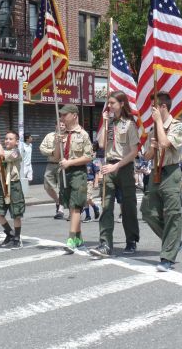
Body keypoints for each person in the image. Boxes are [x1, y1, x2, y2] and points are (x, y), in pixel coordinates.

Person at [139, 92, 182, 272]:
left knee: (172, 213)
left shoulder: (178, 126)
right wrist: (151, 148)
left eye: (154, 107)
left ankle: (167, 257)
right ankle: (174, 241)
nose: (151, 111)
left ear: (163, 107)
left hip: (171, 171)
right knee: (148, 211)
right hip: (155, 172)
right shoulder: (153, 128)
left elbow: (166, 143)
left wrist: (159, 122)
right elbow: (147, 155)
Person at [92, 90, 141, 257]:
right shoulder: (109, 122)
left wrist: (117, 166)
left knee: (128, 206)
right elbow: (101, 144)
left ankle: (131, 240)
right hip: (108, 166)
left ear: (121, 104)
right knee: (106, 205)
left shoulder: (129, 124)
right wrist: (105, 124)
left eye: (112, 103)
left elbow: (134, 152)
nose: (109, 105)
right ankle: (105, 244)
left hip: (124, 167)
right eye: (108, 102)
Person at [53, 104, 93, 254]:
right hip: (64, 172)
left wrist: (70, 162)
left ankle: (70, 240)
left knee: (76, 205)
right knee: (70, 206)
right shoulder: (62, 134)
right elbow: (56, 157)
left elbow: (88, 157)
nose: (62, 117)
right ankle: (79, 239)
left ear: (74, 115)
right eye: (61, 115)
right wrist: (58, 142)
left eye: (65, 114)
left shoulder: (82, 134)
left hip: (77, 172)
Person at [0, 129, 24, 249]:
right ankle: (9, 233)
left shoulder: (17, 152)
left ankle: (17, 238)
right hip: (1, 183)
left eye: (11, 139)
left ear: (16, 142)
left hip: (13, 184)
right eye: (6, 138)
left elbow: (3, 156)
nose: (7, 141)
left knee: (16, 213)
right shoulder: (0, 150)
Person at [40, 121, 65, 219]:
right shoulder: (49, 136)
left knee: (62, 187)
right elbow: (42, 148)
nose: (61, 126)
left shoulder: (68, 136)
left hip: (62, 164)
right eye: (60, 124)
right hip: (51, 164)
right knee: (47, 186)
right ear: (56, 125)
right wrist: (52, 152)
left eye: (63, 124)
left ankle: (60, 210)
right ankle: (58, 201)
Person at [83, 150, 101, 222]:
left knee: (87, 198)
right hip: (82, 182)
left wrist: (96, 182)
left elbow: (97, 172)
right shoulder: (82, 160)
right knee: (85, 199)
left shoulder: (93, 161)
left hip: (89, 181)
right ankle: (88, 216)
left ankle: (95, 207)